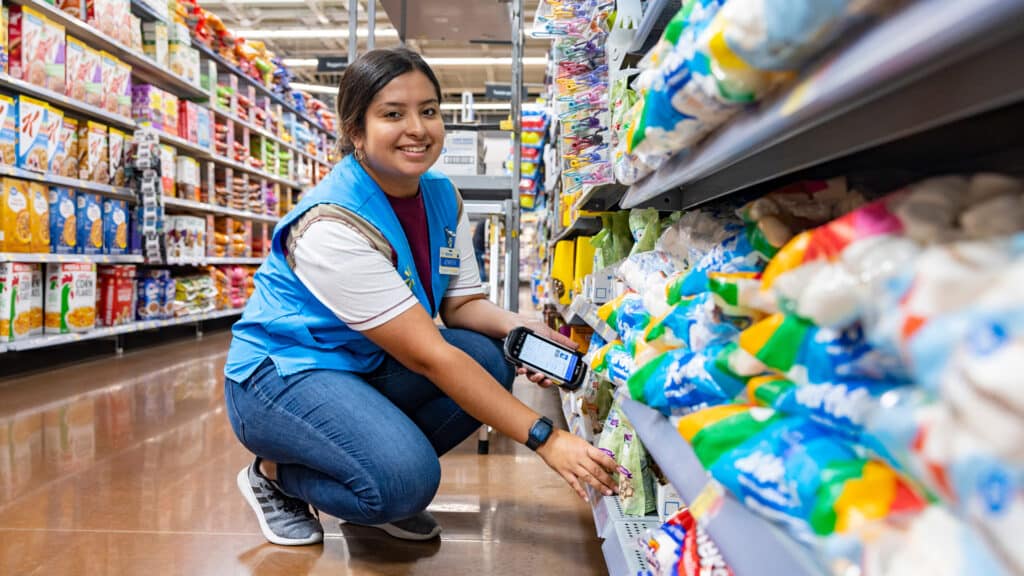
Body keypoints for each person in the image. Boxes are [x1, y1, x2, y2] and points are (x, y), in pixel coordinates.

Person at [223, 47, 619, 547]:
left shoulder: (440, 195)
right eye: (393, 114)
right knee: (407, 482)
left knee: (489, 355)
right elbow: (431, 356)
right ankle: (276, 475)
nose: (417, 128)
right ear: (355, 130)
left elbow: (462, 306)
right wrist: (546, 437)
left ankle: (374, 470)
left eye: (428, 110)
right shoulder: (331, 224)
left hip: (360, 363)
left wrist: (523, 328)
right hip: (280, 378)